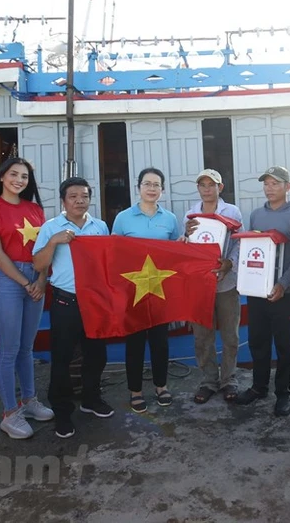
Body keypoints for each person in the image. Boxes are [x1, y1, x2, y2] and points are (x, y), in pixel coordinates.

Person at [0, 158, 53, 440]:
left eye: (24, 176)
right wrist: (25, 282)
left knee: (27, 347)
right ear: (2, 177)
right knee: (8, 349)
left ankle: (30, 400)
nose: (19, 180)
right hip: (9, 281)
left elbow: (45, 248)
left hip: (36, 278)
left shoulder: (35, 209)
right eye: (13, 174)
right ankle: (10, 413)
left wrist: (41, 280)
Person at [33, 177, 113, 438]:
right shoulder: (51, 227)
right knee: (63, 358)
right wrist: (54, 241)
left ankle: (91, 399)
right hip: (66, 301)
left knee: (96, 355)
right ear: (63, 200)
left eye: (84, 196)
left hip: (96, 302)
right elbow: (37, 264)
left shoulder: (100, 226)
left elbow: (109, 261)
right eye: (73, 196)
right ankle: (62, 410)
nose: (80, 200)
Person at [234, 166, 290, 417]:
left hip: (283, 293)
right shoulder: (255, 215)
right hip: (257, 293)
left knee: (284, 346)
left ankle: (283, 393)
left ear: (287, 187)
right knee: (258, 341)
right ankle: (259, 387)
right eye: (266, 183)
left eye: (275, 183)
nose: (269, 188)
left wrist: (282, 284)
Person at [112, 168, 183, 414]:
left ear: (162, 190)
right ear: (138, 187)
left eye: (156, 184)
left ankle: (161, 386)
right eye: (147, 184)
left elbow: (175, 254)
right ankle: (136, 391)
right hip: (133, 290)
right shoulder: (123, 218)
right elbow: (114, 253)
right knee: (135, 342)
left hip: (160, 289)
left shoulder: (170, 219)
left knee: (160, 342)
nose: (151, 188)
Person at [183, 169, 244, 404]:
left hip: (226, 284)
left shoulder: (233, 212)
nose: (207, 189)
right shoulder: (191, 214)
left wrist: (230, 263)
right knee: (202, 337)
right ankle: (208, 381)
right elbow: (186, 248)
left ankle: (229, 379)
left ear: (221, 188)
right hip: (200, 285)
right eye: (203, 185)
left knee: (230, 335)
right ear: (198, 188)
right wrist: (186, 235)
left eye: (212, 185)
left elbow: (239, 243)